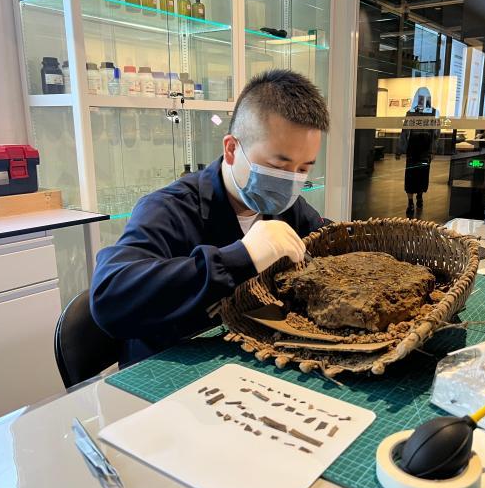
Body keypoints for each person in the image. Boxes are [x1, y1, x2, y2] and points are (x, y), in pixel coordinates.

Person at [90, 70, 330, 365]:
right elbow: (109, 298)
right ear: (231, 149)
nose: (289, 181)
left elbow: (329, 241)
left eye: (303, 169)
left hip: (246, 356)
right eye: (278, 166)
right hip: (168, 372)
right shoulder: (169, 209)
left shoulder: (287, 211)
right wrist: (241, 257)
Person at [398, 87, 440, 215]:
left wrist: (432, 150)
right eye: (420, 97)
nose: (422, 99)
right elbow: (405, 132)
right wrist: (400, 149)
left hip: (425, 149)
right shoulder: (410, 113)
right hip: (413, 149)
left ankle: (420, 196)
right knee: (410, 176)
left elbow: (436, 133)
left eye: (424, 97)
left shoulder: (434, 112)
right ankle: (410, 202)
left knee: (422, 175)